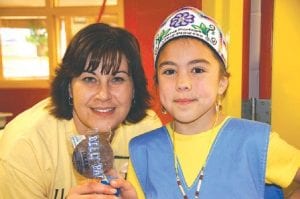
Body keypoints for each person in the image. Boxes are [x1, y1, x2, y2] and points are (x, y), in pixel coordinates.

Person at [126, 6, 300, 199]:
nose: (183, 83)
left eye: (198, 70)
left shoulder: (257, 142)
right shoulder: (142, 151)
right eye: (169, 71)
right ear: (157, 84)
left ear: (221, 83)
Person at [0, 23, 162, 198]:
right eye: (89, 79)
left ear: (134, 89)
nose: (103, 95)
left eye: (117, 79)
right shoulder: (26, 143)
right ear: (69, 87)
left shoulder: (147, 133)